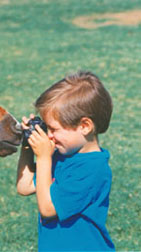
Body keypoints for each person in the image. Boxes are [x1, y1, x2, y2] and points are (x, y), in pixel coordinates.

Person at [16, 71, 115, 251]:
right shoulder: (60, 156)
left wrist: (44, 157)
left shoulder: (92, 168)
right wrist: (28, 145)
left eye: (53, 129)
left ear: (84, 126)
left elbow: (48, 209)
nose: (49, 136)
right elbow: (25, 186)